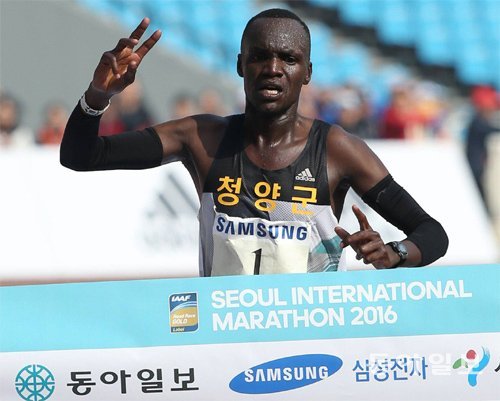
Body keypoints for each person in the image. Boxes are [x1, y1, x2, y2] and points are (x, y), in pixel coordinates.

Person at [60, 9, 448, 277]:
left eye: (288, 59)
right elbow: (81, 156)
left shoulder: (337, 148)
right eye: (260, 57)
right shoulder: (199, 137)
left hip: (315, 343)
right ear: (240, 65)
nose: (274, 69)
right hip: (227, 345)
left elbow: (432, 233)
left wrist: (394, 253)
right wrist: (97, 96)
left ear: (307, 72)